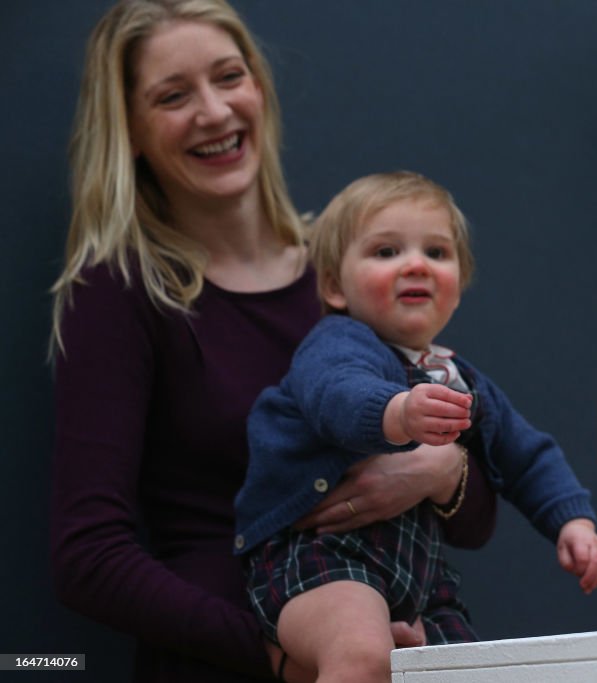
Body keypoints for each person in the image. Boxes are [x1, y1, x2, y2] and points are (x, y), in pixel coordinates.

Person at [48, 3, 496, 681]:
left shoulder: (353, 274)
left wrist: (445, 471)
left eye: (229, 77)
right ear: (132, 132)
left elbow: (475, 522)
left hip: (404, 650)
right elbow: (88, 556)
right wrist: (277, 653)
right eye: (173, 96)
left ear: (259, 87)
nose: (214, 111)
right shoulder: (121, 292)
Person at [234, 171, 597, 682]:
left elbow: (526, 454)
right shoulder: (336, 341)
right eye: (386, 252)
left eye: (436, 252)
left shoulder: (460, 376)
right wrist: (398, 412)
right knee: (363, 658)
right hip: (319, 560)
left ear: (460, 282)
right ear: (333, 286)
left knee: (466, 670)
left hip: (423, 579)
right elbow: (336, 394)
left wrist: (574, 522)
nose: (415, 264)